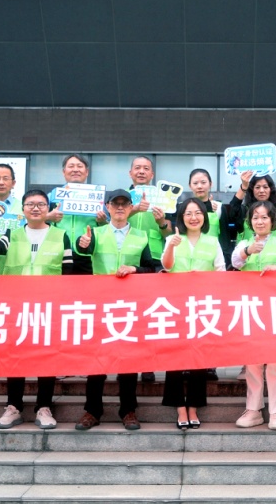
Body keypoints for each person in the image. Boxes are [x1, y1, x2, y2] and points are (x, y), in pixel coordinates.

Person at [0, 189, 72, 431]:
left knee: (47, 356)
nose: (35, 208)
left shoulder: (61, 235)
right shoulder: (12, 233)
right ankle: (13, 407)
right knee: (16, 356)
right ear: (22, 209)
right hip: (17, 304)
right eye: (30, 204)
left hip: (49, 305)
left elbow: (68, 270)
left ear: (48, 208)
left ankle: (44, 407)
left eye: (41, 204)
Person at [74, 189, 161, 430]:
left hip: (130, 305)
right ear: (108, 207)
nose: (120, 207)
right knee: (97, 359)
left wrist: (134, 269)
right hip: (101, 303)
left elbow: (151, 268)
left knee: (128, 360)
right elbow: (83, 253)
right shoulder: (95, 233)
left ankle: (128, 410)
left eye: (125, 204)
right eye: (115, 204)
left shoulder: (142, 236)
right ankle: (92, 411)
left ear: (131, 208)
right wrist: (82, 244)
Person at [232, 201, 276, 431]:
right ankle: (253, 410)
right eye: (255, 217)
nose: (259, 221)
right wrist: (248, 251)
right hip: (251, 308)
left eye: (264, 217)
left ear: (273, 220)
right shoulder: (244, 244)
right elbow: (234, 262)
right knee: (252, 361)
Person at [160, 197, 224, 428]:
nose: (193, 217)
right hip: (176, 306)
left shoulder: (213, 241)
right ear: (182, 217)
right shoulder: (173, 239)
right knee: (174, 357)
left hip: (202, 307)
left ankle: (194, 406)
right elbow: (167, 266)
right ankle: (179, 408)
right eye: (188, 213)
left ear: (204, 217)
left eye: (198, 213)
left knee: (199, 358)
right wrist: (171, 246)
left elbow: (221, 271)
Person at [125, 156, 173, 383]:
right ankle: (129, 364)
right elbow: (111, 221)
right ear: (130, 173)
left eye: (146, 168)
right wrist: (133, 210)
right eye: (137, 168)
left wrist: (162, 222)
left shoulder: (163, 198)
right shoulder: (122, 198)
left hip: (154, 258)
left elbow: (169, 233)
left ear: (152, 174)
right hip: (128, 259)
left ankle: (148, 364)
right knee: (129, 313)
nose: (141, 172)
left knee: (151, 313)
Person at [48, 154, 108, 275]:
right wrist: (49, 217)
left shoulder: (97, 197)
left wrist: (102, 221)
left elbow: (107, 228)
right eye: (71, 166)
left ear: (87, 172)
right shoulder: (53, 196)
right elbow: (36, 219)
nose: (75, 169)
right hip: (58, 252)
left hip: (87, 253)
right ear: (64, 172)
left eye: (79, 166)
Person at [187, 168, 237, 268]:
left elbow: (224, 238)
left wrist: (226, 260)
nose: (199, 186)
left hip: (213, 260)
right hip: (190, 260)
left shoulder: (218, 207)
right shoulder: (184, 208)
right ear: (190, 186)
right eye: (195, 183)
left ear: (210, 184)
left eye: (203, 182)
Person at [230, 172, 276, 242]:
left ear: (271, 190)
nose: (261, 191)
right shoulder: (245, 212)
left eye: (265, 187)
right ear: (252, 190)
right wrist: (244, 187)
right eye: (257, 187)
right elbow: (234, 208)